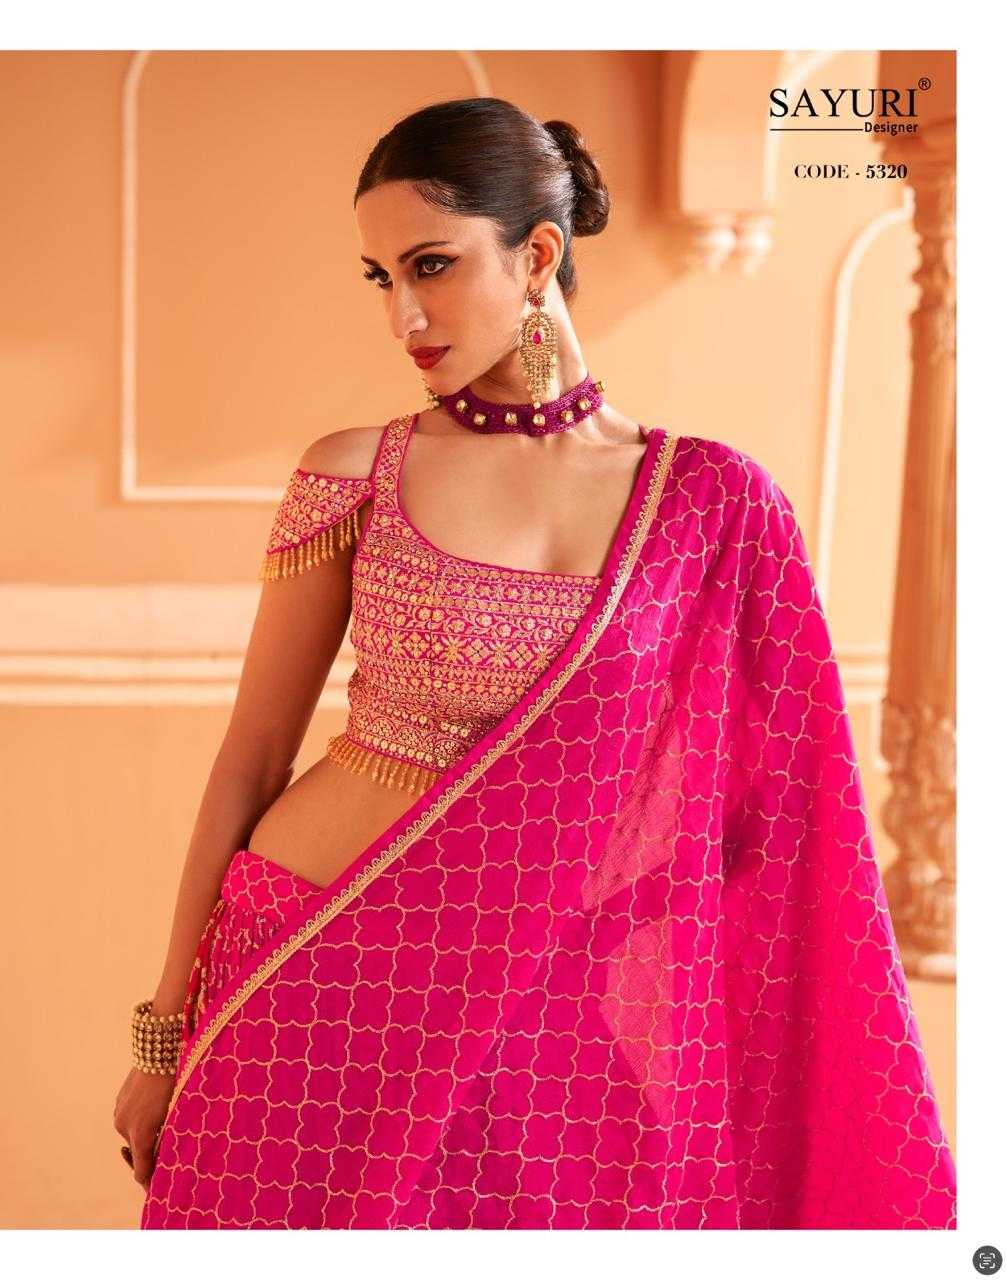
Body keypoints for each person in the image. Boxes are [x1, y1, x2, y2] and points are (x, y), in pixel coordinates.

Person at [115, 96, 956, 1229]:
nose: (404, 314)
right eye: (380, 277)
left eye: (432, 264)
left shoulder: (713, 503)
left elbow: (777, 830)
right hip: (307, 969)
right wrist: (164, 1031)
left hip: (538, 1009)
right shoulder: (356, 472)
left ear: (539, 255)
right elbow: (250, 760)